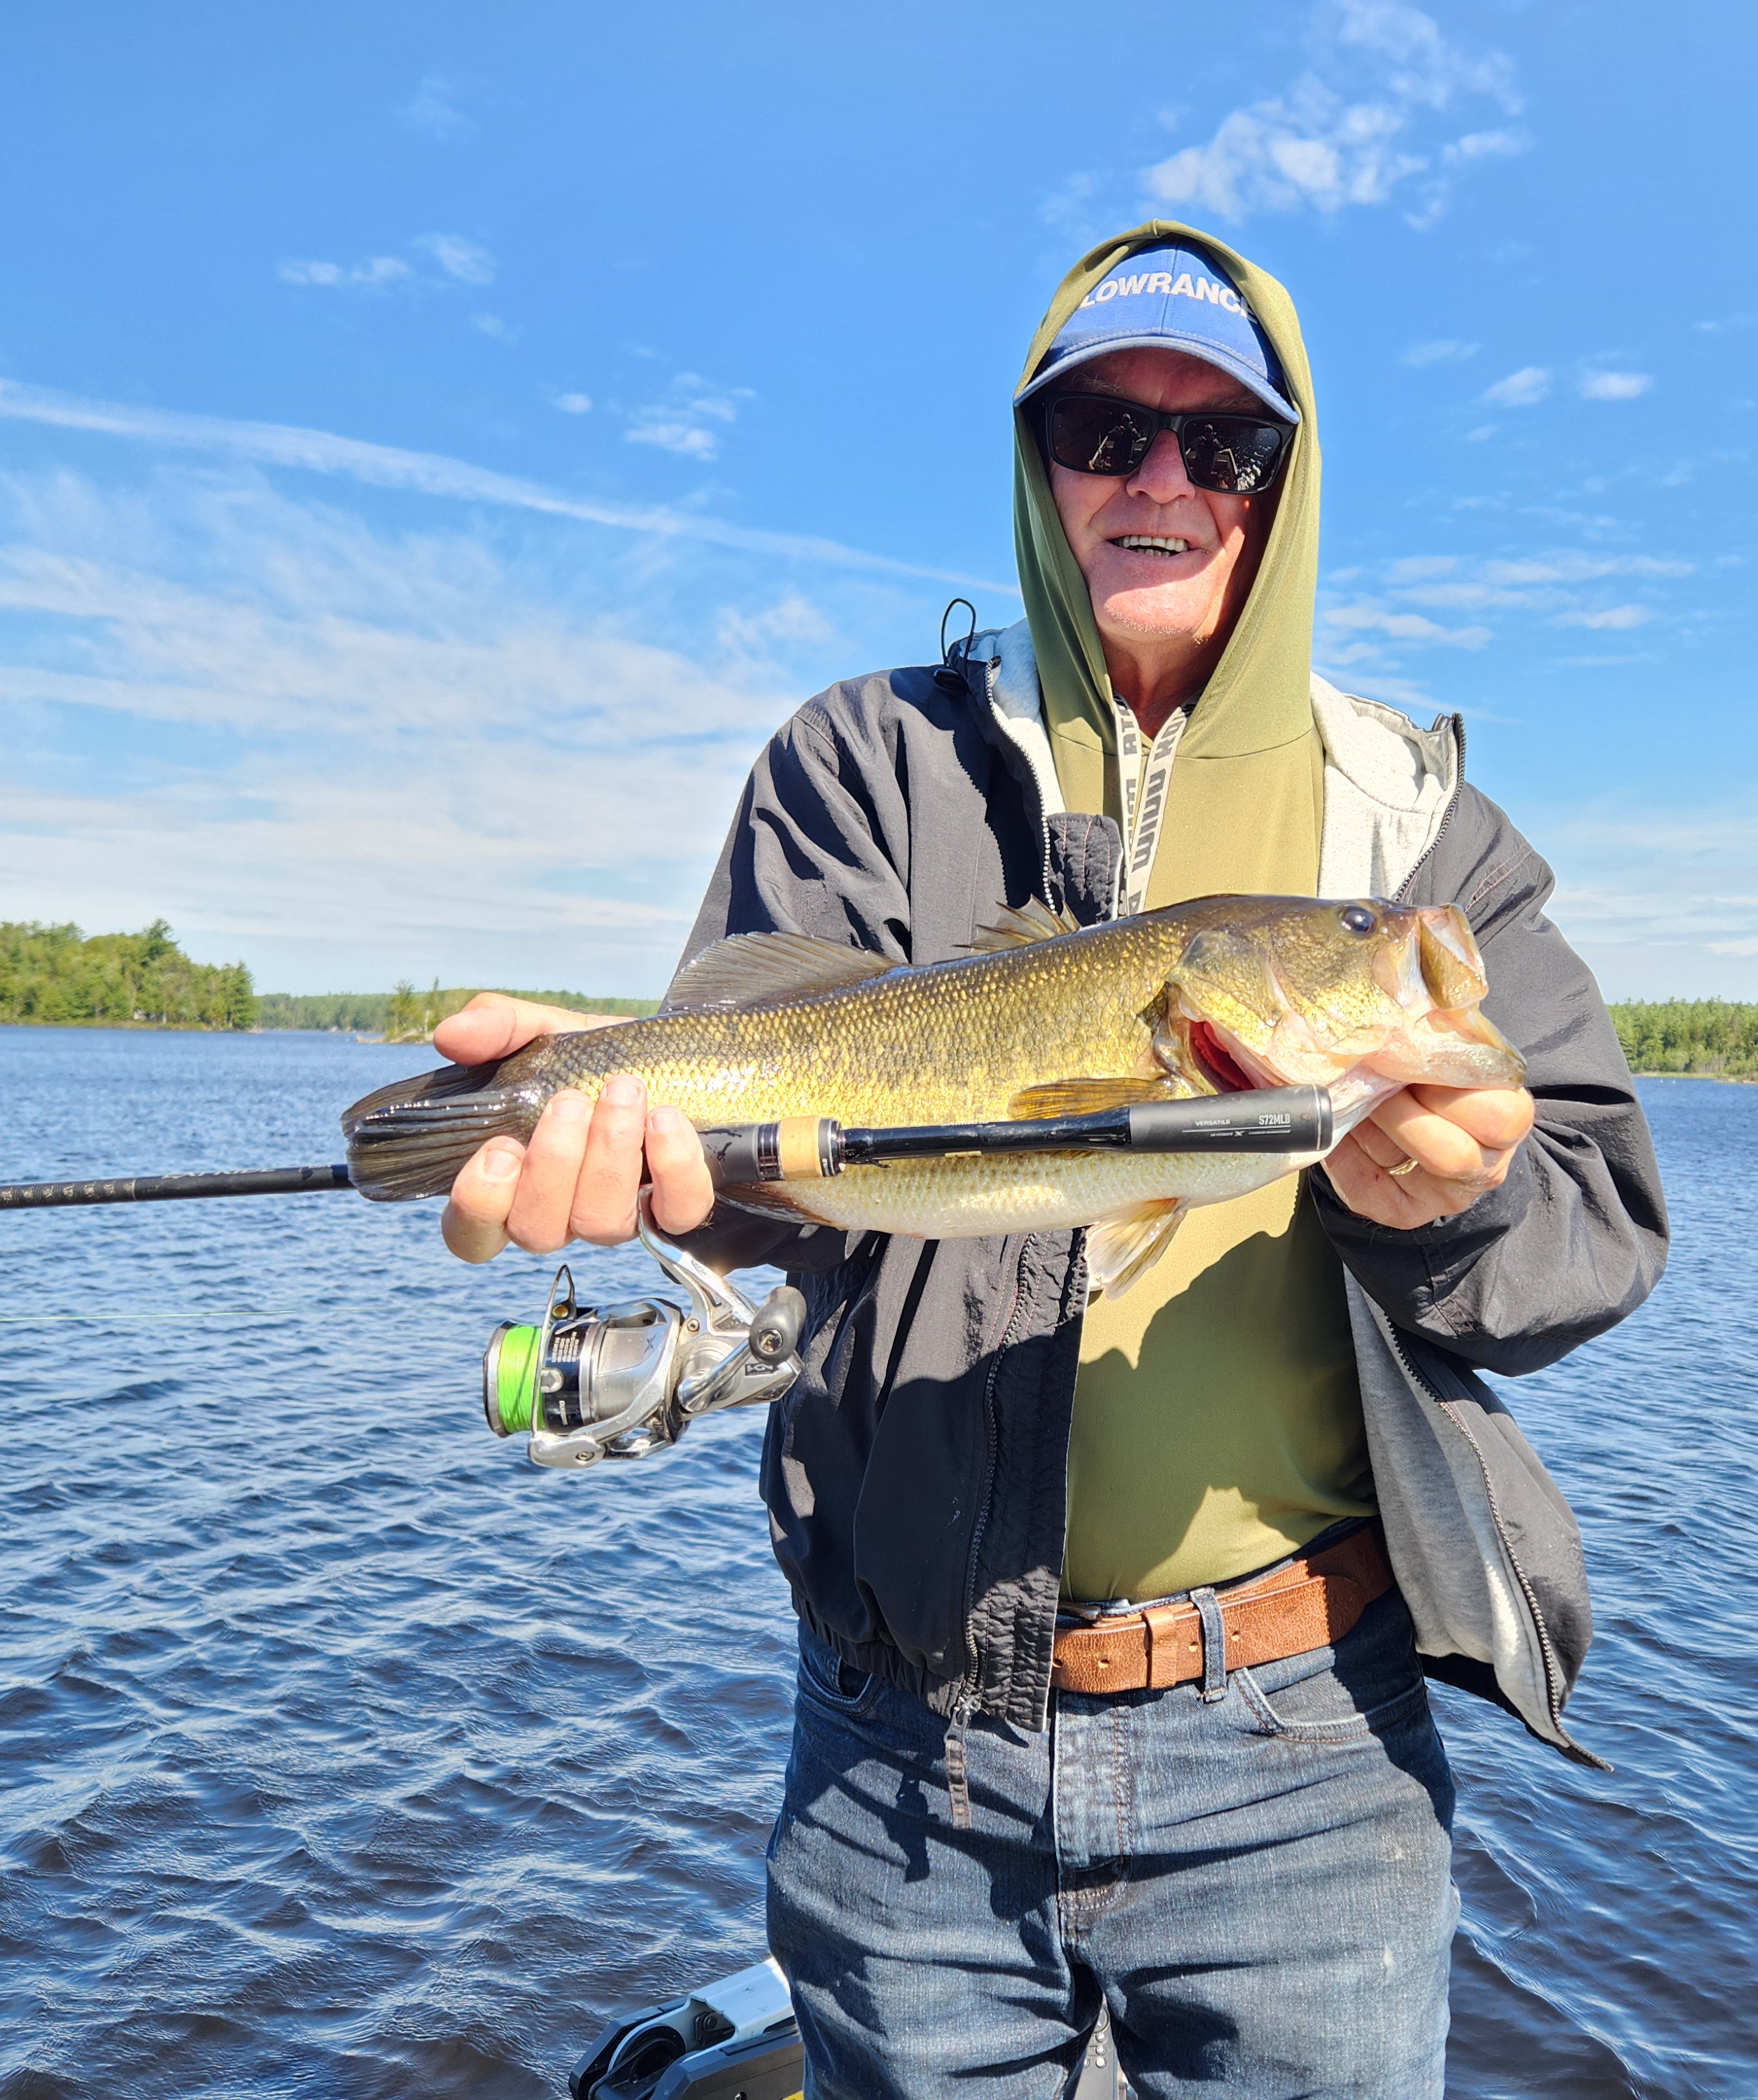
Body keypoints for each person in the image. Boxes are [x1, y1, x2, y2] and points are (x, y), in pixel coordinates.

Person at [433, 223, 1669, 2099]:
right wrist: (623, 1137)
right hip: (903, 1751)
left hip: (1310, 1759)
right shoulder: (867, 761)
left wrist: (1455, 1206)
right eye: (1106, 431)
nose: (1161, 481)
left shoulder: (1419, 829)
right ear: (1040, 467)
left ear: (1283, 485)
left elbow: (1596, 1223)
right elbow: (772, 1175)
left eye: (1221, 443)